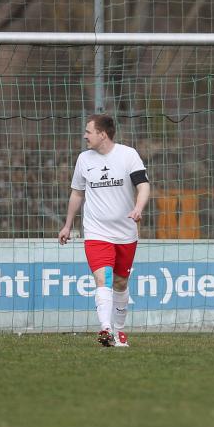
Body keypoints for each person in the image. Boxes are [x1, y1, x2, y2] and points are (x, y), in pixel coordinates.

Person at [58, 114, 150, 348]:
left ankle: (119, 330)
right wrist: (68, 225)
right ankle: (105, 328)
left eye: (89, 132)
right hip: (96, 231)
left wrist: (138, 208)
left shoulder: (128, 155)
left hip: (126, 233)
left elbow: (143, 185)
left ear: (102, 134)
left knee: (120, 283)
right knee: (103, 278)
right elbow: (77, 193)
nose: (85, 136)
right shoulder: (84, 159)